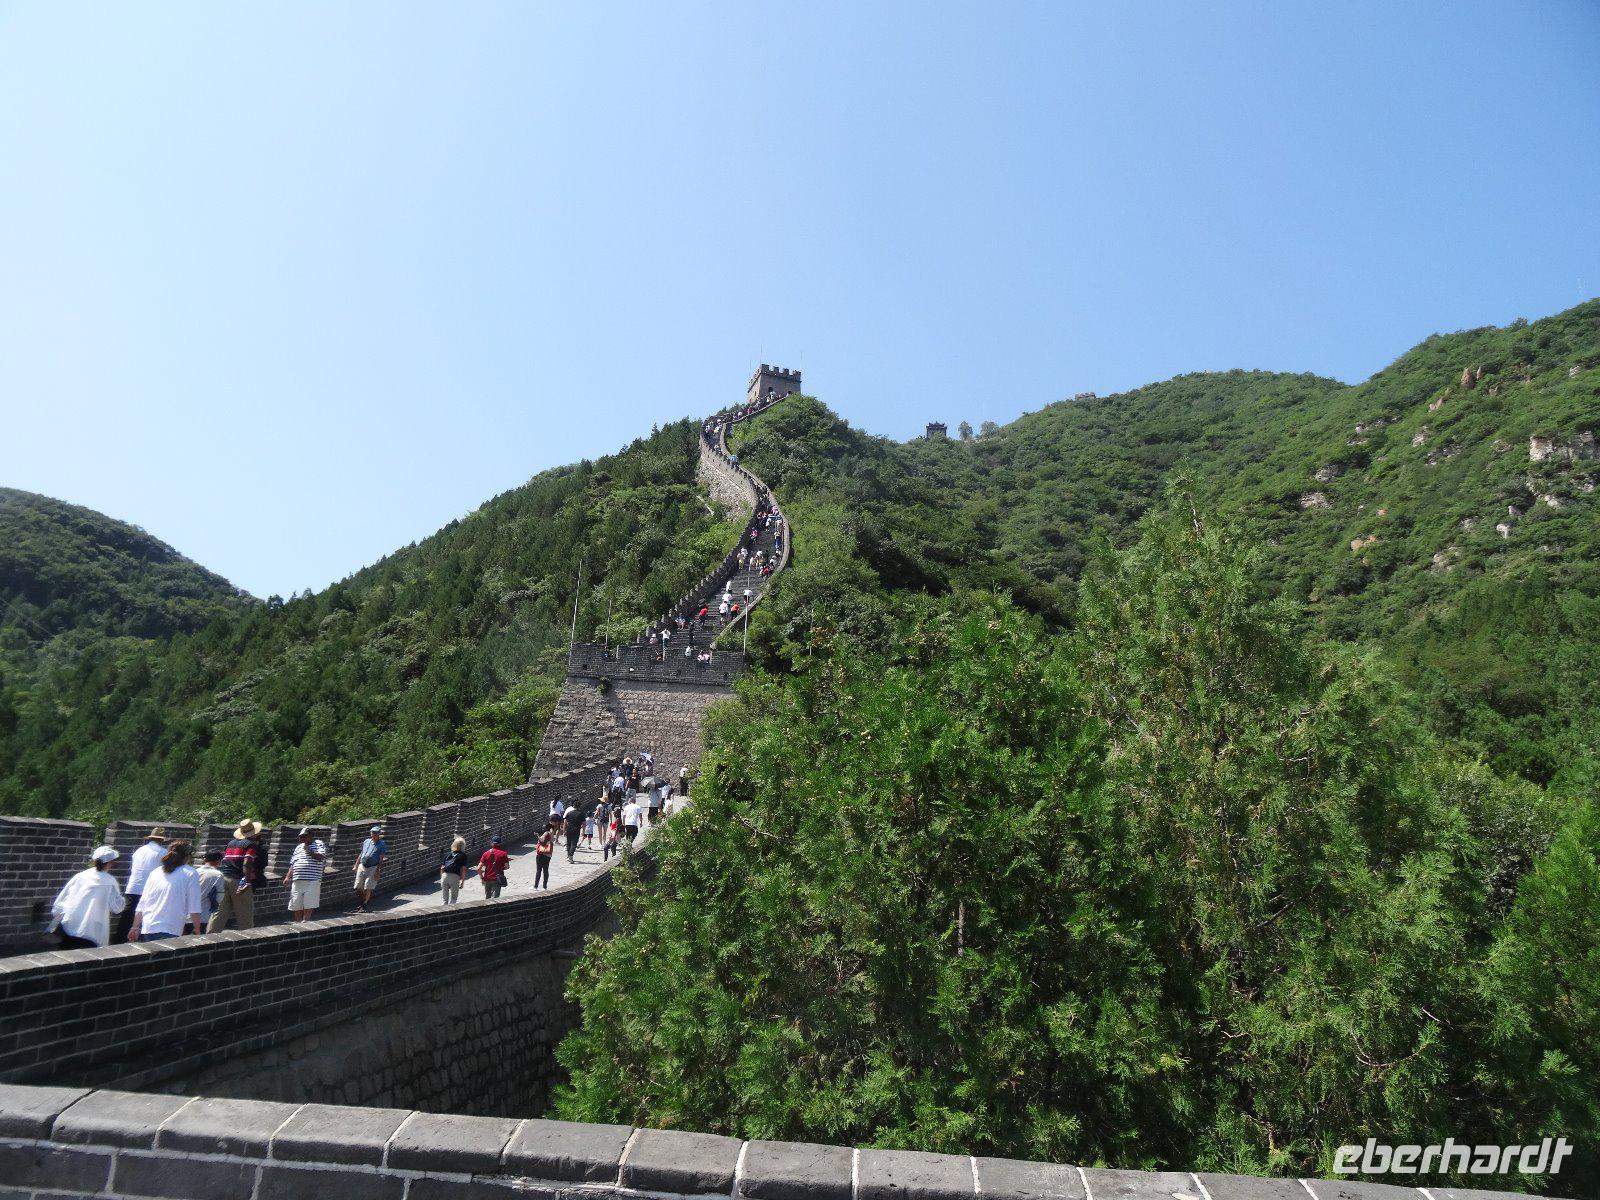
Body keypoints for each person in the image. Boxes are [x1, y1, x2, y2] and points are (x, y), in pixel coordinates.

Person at [51, 846, 125, 949]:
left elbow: (60, 901)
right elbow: (117, 908)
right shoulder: (110, 881)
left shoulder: (80, 876)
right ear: (109, 863)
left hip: (70, 927)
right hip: (93, 932)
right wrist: (124, 900)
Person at [129, 841, 201, 942]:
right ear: (188, 856)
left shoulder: (155, 872)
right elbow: (194, 907)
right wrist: (197, 929)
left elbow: (142, 903)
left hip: (148, 926)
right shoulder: (191, 873)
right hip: (171, 928)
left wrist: (135, 927)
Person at [209, 819, 265, 932]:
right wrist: (246, 881)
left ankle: (209, 937)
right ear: (254, 833)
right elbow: (247, 863)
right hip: (238, 880)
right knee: (245, 914)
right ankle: (247, 940)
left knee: (219, 912)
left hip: (224, 879)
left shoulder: (230, 844)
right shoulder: (251, 845)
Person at [116, 827, 167, 944]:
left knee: (126, 918)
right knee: (144, 918)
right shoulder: (163, 853)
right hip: (148, 889)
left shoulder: (139, 850)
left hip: (132, 887)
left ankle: (118, 942)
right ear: (161, 840)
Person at [286, 827, 326, 922]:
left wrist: (309, 850)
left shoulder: (318, 844)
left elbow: (321, 857)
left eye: (304, 836)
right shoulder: (298, 847)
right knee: (296, 903)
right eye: (301, 837)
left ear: (310, 836)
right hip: (297, 880)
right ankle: (298, 922)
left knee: (309, 903)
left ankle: (305, 922)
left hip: (312, 879)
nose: (302, 839)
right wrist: (287, 877)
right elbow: (293, 863)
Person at [353, 824, 386, 912]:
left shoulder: (381, 844)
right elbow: (361, 853)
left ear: (379, 834)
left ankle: (363, 905)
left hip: (373, 867)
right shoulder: (366, 841)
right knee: (357, 886)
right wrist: (356, 865)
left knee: (368, 887)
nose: (373, 834)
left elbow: (381, 858)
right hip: (362, 865)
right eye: (372, 832)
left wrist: (378, 871)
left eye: (375, 833)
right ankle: (363, 901)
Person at [196, 849, 224, 931]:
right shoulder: (218, 874)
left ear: (205, 859)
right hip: (204, 914)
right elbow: (219, 898)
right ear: (218, 861)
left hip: (188, 913)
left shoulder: (195, 871)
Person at [439, 836, 470, 904]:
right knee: (453, 898)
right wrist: (462, 881)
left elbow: (442, 868)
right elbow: (463, 870)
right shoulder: (463, 856)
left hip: (444, 875)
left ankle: (443, 909)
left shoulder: (448, 854)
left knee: (444, 900)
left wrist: (442, 878)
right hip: (454, 876)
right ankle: (451, 910)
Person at [534, 823, 554, 889]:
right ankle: (545, 886)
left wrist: (537, 836)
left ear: (547, 827)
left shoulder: (546, 833)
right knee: (546, 870)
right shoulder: (551, 833)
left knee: (539, 870)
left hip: (541, 854)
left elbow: (543, 843)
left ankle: (535, 886)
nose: (543, 828)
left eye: (544, 827)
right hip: (548, 854)